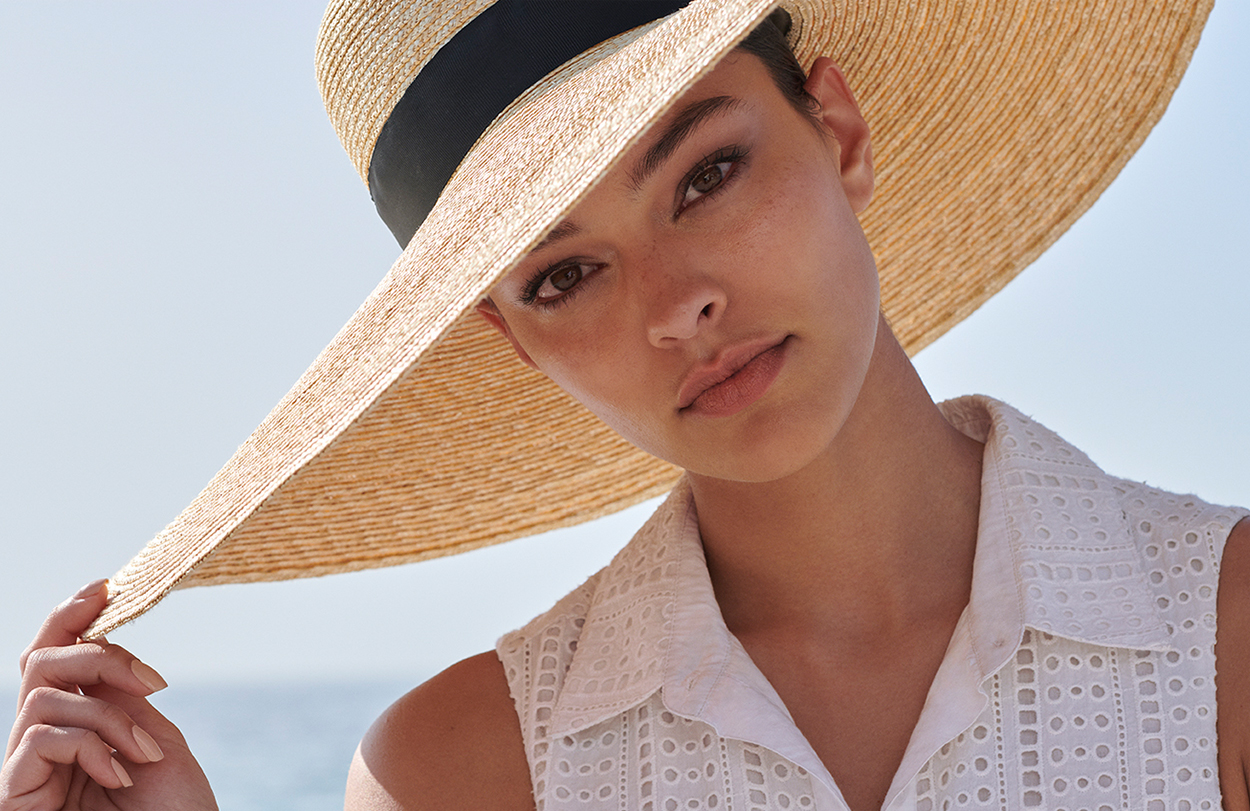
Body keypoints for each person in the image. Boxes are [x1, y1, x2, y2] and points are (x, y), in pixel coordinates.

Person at [3, 1, 1247, 810]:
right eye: (565, 273)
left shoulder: (1224, 638)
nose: (674, 305)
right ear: (515, 341)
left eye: (705, 172)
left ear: (837, 128)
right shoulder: (461, 773)